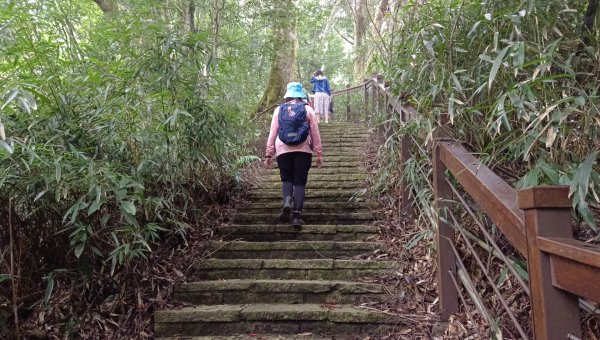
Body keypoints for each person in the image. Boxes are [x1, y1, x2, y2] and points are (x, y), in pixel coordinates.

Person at [265, 82, 323, 228]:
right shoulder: (308, 109)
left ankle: (287, 200)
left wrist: (269, 153)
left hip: (283, 149)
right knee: (299, 182)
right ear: (301, 95)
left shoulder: (279, 110)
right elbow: (315, 131)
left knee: (286, 179)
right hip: (303, 150)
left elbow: (273, 132)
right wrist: (319, 153)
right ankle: (297, 216)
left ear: (288, 95)